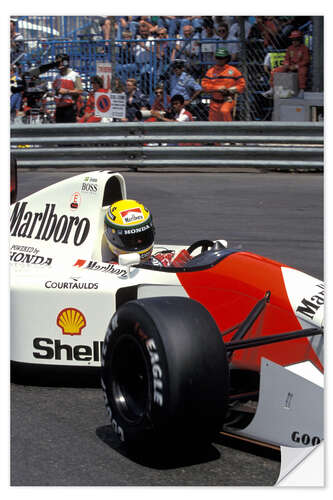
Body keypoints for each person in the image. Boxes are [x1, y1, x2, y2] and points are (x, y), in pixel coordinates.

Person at [102, 199, 191, 267]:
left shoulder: (166, 258)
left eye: (144, 236)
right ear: (112, 237)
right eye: (130, 240)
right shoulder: (110, 271)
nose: (139, 242)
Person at [201, 48, 246, 122]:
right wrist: (217, 88)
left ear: (226, 58)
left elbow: (242, 85)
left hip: (228, 100)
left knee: (224, 111)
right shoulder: (210, 72)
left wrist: (231, 90)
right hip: (214, 103)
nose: (219, 60)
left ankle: (229, 131)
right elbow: (204, 86)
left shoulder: (233, 71)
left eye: (222, 58)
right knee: (213, 125)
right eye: (218, 58)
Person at [262, 30, 310, 99]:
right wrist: (287, 65)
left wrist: (296, 66)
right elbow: (286, 59)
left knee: (302, 72)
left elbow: (306, 60)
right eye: (293, 39)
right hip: (290, 66)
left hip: (300, 66)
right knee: (275, 71)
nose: (294, 41)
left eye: (296, 39)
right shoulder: (290, 48)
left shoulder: (304, 49)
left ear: (300, 40)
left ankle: (302, 91)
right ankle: (272, 89)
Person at [52, 54, 83, 123]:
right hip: (59, 108)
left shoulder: (74, 75)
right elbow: (54, 91)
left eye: (60, 62)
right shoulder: (56, 77)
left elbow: (80, 90)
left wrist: (67, 91)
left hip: (69, 108)